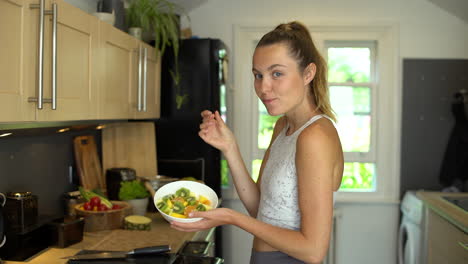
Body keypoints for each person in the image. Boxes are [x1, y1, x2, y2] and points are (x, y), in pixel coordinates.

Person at [170, 21, 344, 264]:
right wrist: (229, 147)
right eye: (258, 75)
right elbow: (260, 208)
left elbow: (313, 251)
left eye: (277, 74)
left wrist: (232, 218)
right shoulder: (283, 126)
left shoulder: (315, 137)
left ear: (308, 73)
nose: (263, 87)